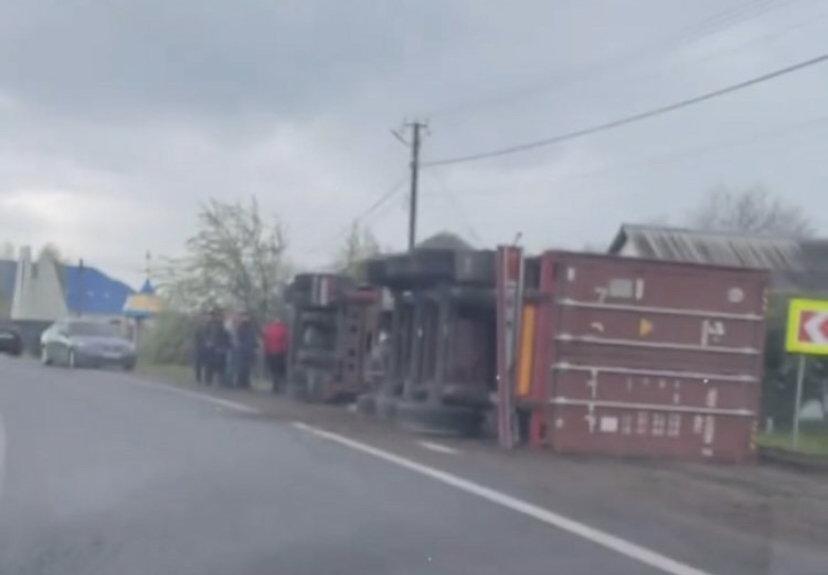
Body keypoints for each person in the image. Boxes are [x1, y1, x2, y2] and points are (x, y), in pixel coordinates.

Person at [261, 316, 289, 393]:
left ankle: (275, 385)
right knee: (280, 370)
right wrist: (286, 351)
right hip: (280, 352)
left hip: (270, 352)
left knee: (273, 370)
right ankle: (280, 385)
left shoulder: (268, 328)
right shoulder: (283, 329)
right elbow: (286, 341)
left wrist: (265, 350)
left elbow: (265, 340)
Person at [204, 308, 231, 386]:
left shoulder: (224, 325)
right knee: (215, 364)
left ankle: (220, 381)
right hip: (216, 347)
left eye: (221, 316)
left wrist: (227, 345)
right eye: (219, 316)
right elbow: (214, 336)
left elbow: (227, 336)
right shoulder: (214, 325)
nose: (220, 318)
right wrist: (213, 344)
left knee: (222, 365)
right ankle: (213, 380)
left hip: (223, 347)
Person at [234, 310, 259, 390]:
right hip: (242, 349)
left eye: (247, 317)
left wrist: (256, 347)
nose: (246, 318)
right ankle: (240, 383)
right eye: (244, 317)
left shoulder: (251, 327)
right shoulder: (240, 327)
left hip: (250, 349)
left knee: (248, 367)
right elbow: (238, 338)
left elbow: (254, 338)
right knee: (242, 367)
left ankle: (246, 383)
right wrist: (241, 346)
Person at [193, 311, 211, 384]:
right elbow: (196, 338)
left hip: (208, 348)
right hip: (200, 347)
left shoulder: (210, 327)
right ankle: (198, 378)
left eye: (207, 317)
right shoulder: (199, 327)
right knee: (199, 364)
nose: (206, 318)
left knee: (207, 364)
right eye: (205, 316)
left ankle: (207, 379)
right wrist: (199, 345)